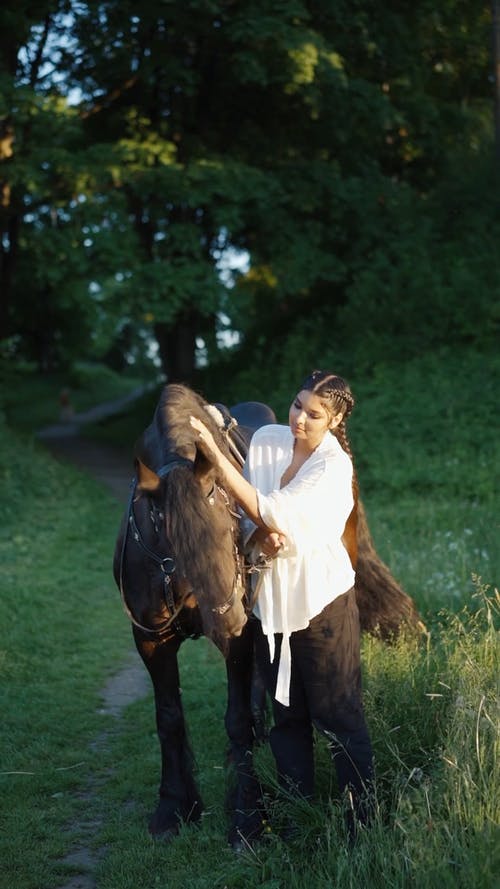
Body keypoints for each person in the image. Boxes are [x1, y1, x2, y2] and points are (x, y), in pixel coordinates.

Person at [190, 370, 374, 838]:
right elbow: (248, 522)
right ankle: (298, 819)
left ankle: (362, 825)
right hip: (271, 609)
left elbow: (273, 510)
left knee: (338, 716)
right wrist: (258, 540)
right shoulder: (269, 441)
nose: (299, 420)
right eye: (296, 405)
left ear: (334, 421)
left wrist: (215, 454)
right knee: (286, 719)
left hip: (321, 607)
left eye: (314, 414)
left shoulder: (334, 468)